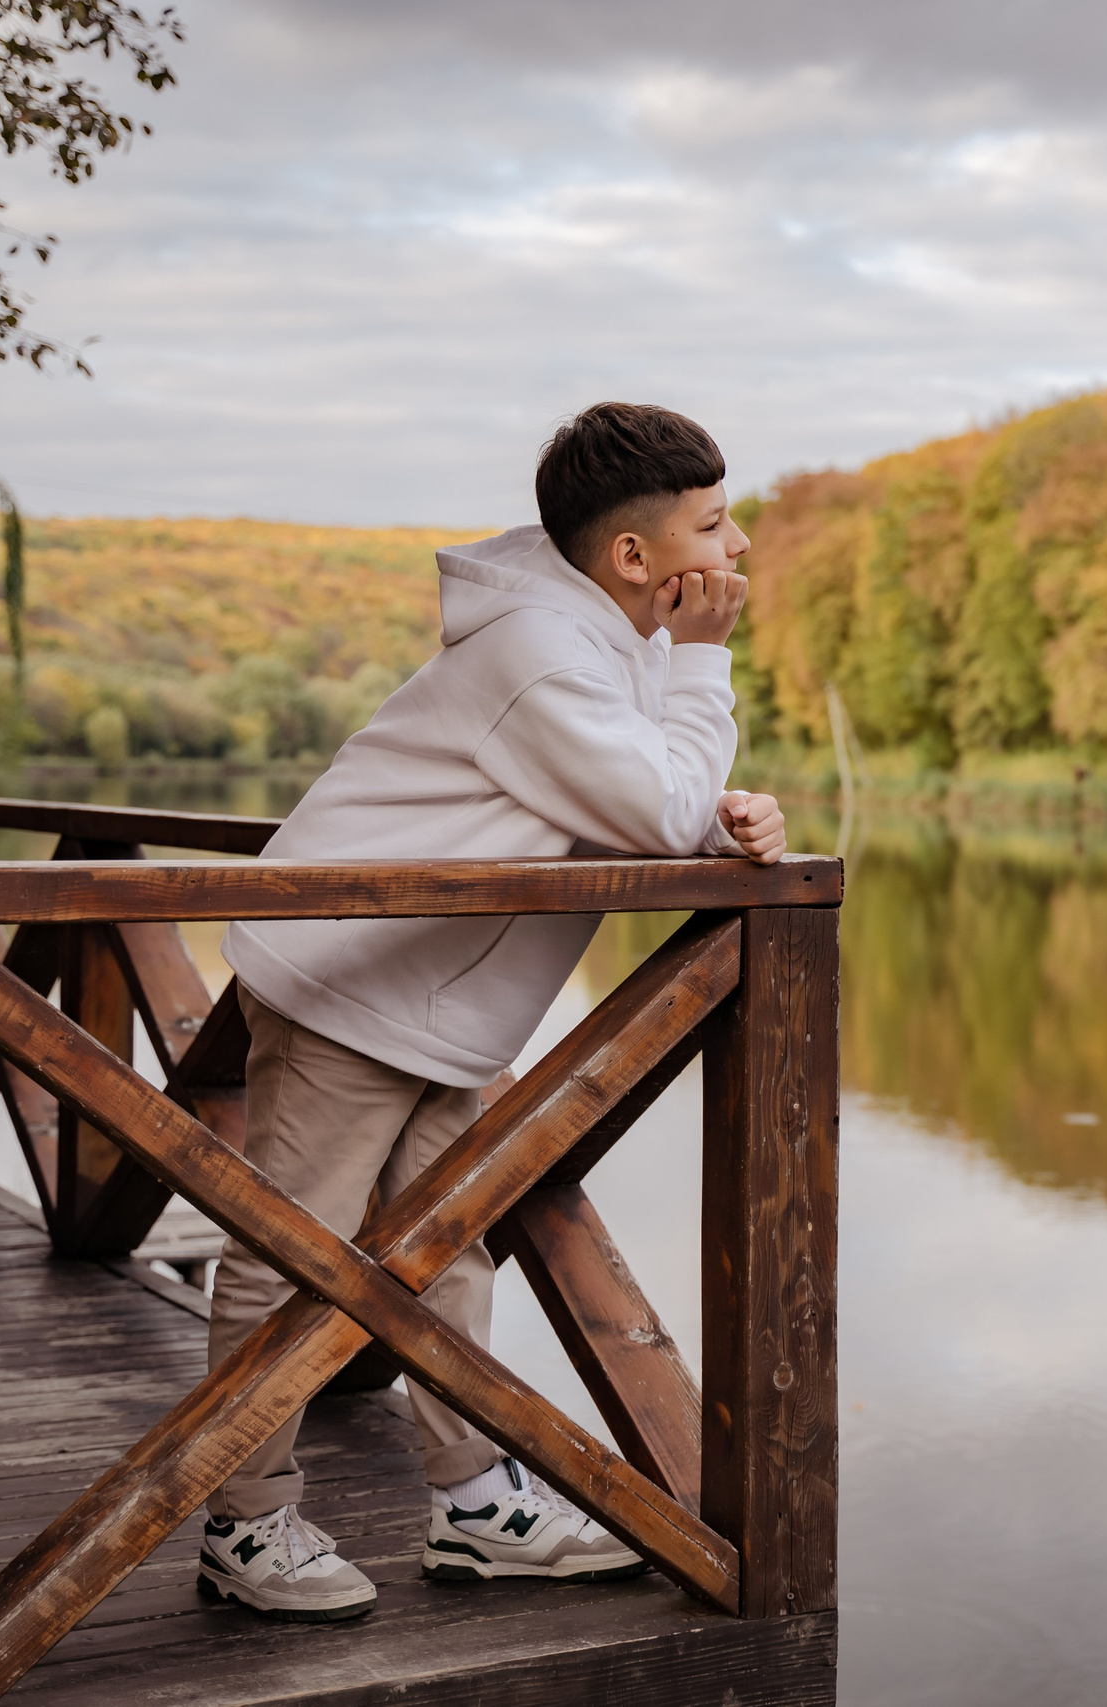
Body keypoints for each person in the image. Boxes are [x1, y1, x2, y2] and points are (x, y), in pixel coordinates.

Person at [193, 402, 787, 1622]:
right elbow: (648, 811)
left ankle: (473, 1502)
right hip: (350, 984)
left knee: (443, 1251)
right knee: (293, 1257)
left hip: (445, 999)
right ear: (636, 558)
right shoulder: (542, 652)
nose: (736, 553)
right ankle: (240, 1525)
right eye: (716, 527)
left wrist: (733, 817)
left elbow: (663, 802)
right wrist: (706, 671)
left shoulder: (600, 640)